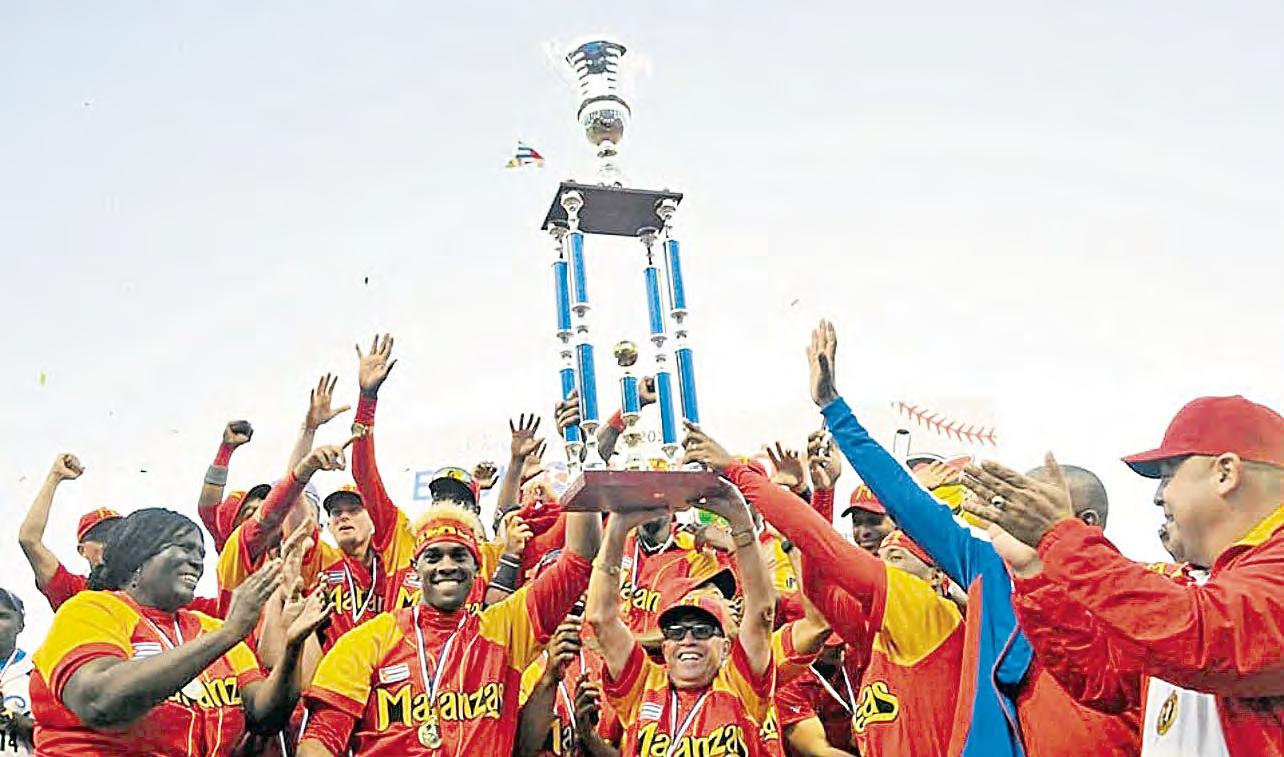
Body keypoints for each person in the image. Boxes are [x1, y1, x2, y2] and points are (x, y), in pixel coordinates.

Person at [807, 319, 1143, 756]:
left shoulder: (1135, 592)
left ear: (1088, 521)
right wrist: (834, 409)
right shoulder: (991, 570)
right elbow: (905, 500)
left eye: (1033, 501)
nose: (1017, 512)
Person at [966, 395, 1284, 756]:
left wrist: (1061, 538)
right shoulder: (1198, 581)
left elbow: (1206, 638)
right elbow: (1103, 678)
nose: (1158, 497)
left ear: (1225, 473)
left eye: (1167, 476)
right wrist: (1034, 571)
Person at [701, 422, 966, 756]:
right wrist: (823, 494)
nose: (883, 563)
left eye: (897, 557)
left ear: (937, 576)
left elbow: (819, 541)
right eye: (882, 557)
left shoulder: (929, 617)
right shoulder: (880, 634)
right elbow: (820, 592)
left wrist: (738, 473)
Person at [297, 493, 601, 756]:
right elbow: (322, 738)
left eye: (459, 555)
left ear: (477, 567)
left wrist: (585, 478)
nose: (446, 566)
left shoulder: (506, 629)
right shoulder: (368, 640)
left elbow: (578, 560)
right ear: (415, 567)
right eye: (433, 556)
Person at [29, 508, 326, 755]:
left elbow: (266, 716)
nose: (196, 561)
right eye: (184, 547)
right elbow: (99, 701)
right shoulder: (89, 610)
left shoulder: (208, 627)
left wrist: (293, 647)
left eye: (200, 553)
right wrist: (230, 632)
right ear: (139, 556)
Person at [588, 424, 777, 757]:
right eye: (676, 632)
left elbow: (761, 611)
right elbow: (601, 619)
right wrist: (617, 527)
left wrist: (740, 520)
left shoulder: (740, 686)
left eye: (702, 630)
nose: (688, 640)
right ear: (665, 646)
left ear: (726, 645)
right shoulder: (644, 686)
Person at [18, 454, 122, 612]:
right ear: (82, 550)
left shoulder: (147, 590)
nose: (109, 543)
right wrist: (55, 476)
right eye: (101, 536)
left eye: (118, 535)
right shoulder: (74, 590)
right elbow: (29, 539)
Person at [0, 590, 33, 756]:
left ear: (20, 624)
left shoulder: (39, 673)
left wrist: (8, 717)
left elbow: (55, 735)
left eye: (2, 616)